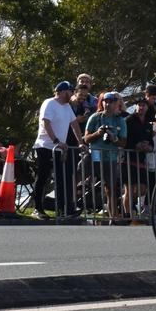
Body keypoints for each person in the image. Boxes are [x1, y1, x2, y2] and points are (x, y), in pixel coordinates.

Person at [32, 81, 83, 219]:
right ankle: (37, 208)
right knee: (43, 176)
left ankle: (64, 209)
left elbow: (74, 125)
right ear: (61, 92)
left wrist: (81, 142)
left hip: (60, 149)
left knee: (62, 179)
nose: (72, 94)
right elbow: (45, 122)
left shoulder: (67, 107)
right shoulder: (49, 103)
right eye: (70, 91)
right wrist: (56, 140)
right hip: (45, 146)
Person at [83, 91, 128, 221]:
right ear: (102, 103)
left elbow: (123, 142)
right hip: (94, 156)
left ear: (116, 104)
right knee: (78, 178)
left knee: (110, 188)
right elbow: (86, 138)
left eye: (111, 102)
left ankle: (113, 216)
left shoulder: (120, 120)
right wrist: (98, 133)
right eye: (105, 101)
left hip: (111, 158)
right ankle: (69, 207)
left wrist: (114, 139)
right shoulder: (95, 117)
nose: (108, 104)